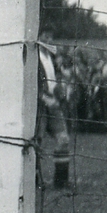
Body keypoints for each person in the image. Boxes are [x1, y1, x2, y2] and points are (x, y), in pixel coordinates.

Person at [38, 30, 71, 188]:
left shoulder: (50, 58)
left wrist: (60, 93)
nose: (49, 40)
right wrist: (44, 98)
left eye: (51, 37)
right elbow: (31, 84)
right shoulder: (34, 57)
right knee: (36, 143)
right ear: (39, 38)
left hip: (53, 104)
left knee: (63, 139)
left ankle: (61, 181)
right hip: (40, 106)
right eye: (46, 37)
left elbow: (53, 82)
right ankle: (34, 181)